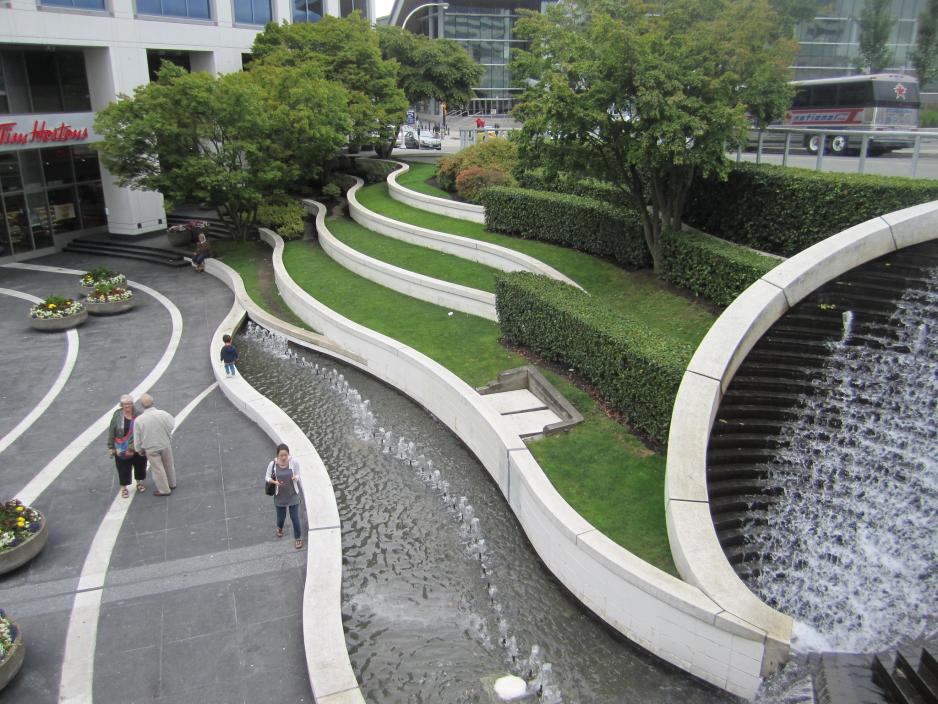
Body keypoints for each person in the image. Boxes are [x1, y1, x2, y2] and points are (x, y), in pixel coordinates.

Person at [133, 394, 176, 496]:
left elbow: (137, 437)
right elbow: (171, 424)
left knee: (158, 469)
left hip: (150, 447)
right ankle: (172, 483)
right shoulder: (163, 414)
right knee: (169, 464)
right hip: (164, 443)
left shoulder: (139, 420)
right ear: (153, 402)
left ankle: (164, 490)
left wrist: (139, 449)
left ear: (142, 405)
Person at [107, 394, 147, 498]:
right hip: (121, 448)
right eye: (125, 404)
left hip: (137, 446)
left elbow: (143, 430)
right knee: (123, 468)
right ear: (121, 405)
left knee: (140, 465)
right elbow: (112, 431)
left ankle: (139, 482)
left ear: (132, 404)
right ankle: (124, 488)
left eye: (129, 404)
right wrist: (110, 447)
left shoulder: (138, 415)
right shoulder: (117, 415)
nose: (127, 406)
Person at [265, 443, 303, 549]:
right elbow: (267, 477)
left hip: (293, 495)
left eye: (285, 455)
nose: (283, 457)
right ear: (277, 455)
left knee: (295, 518)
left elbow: (298, 474)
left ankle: (298, 538)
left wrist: (296, 477)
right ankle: (280, 528)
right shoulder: (272, 464)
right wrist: (274, 482)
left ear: (288, 454)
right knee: (281, 517)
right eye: (281, 455)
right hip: (280, 496)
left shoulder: (294, 462)